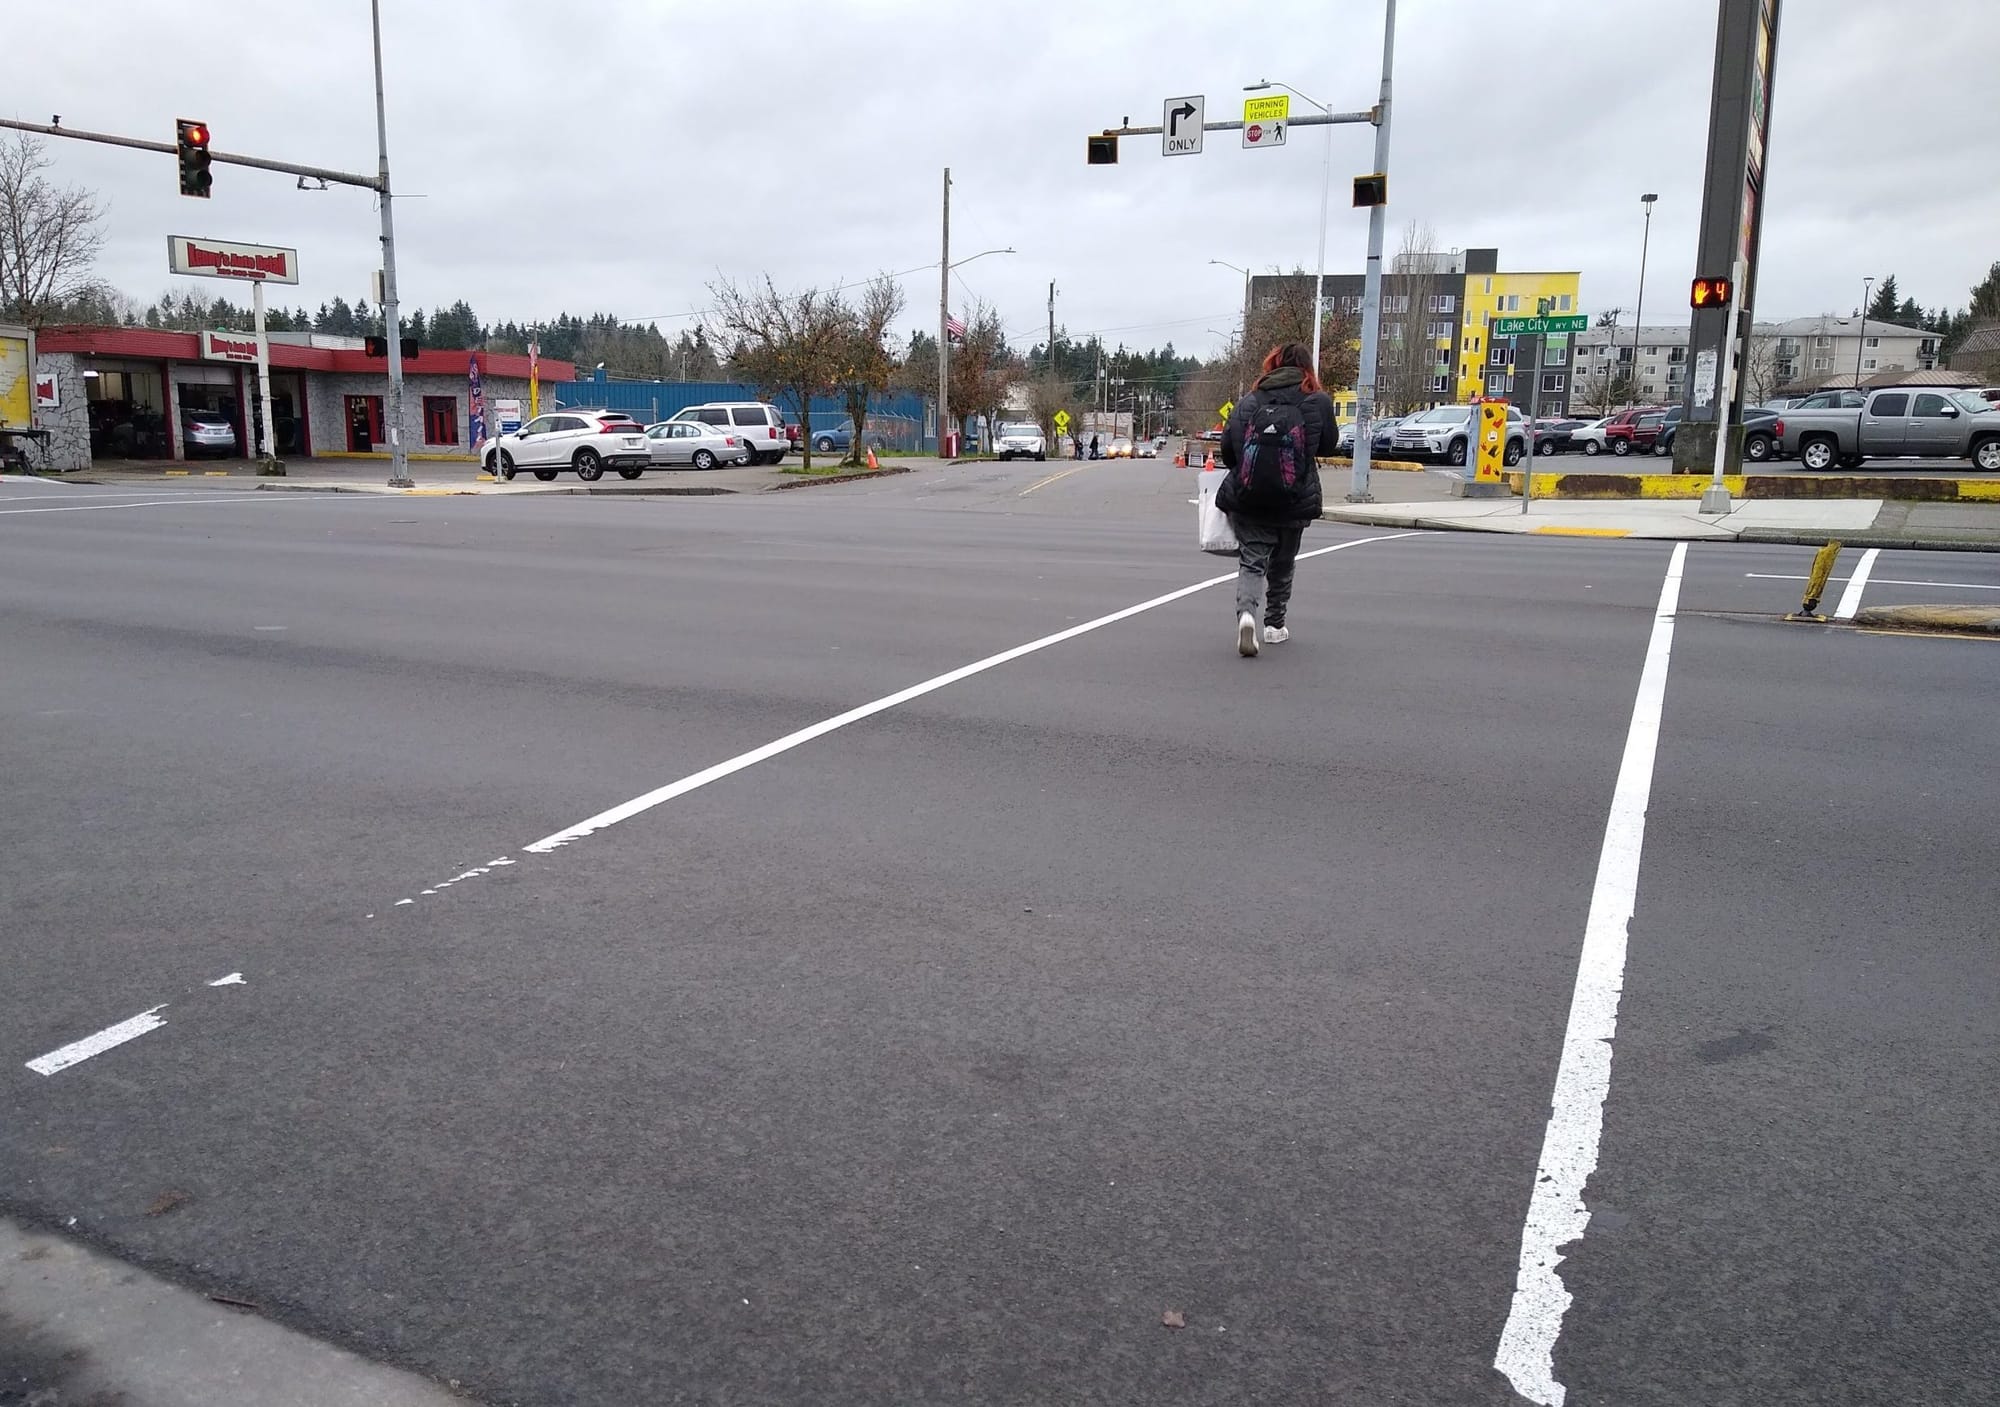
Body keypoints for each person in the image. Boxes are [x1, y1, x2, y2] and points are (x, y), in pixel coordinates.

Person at [1214, 343, 1337, 657]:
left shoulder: (1249, 401)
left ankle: (1246, 616)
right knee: (1283, 565)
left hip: (1250, 498)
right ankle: (1274, 626)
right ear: (1306, 368)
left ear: (1272, 365)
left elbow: (1228, 451)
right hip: (1294, 498)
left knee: (1252, 563)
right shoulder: (1317, 401)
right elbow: (1328, 445)